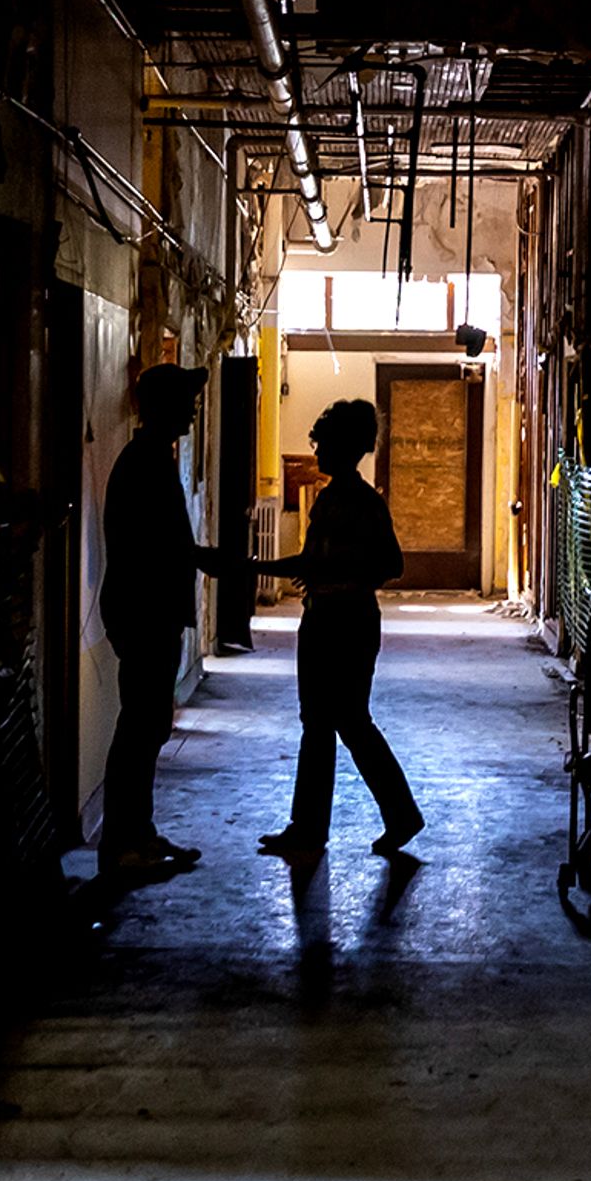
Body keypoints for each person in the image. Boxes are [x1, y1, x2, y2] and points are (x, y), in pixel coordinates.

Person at [259, 398, 424, 860]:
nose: (318, 451)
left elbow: (391, 564)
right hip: (326, 618)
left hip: (344, 622)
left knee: (347, 721)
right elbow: (314, 562)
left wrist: (335, 574)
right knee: (322, 723)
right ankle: (314, 827)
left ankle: (391, 816)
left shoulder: (361, 503)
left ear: (346, 447)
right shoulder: (334, 498)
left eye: (324, 443)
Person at [95, 363, 243, 880]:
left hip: (152, 611)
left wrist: (198, 557)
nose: (194, 408)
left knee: (150, 726)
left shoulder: (152, 458)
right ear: (161, 406)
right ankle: (121, 845)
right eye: (187, 400)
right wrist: (202, 559)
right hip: (144, 612)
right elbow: (152, 548)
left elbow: (163, 543)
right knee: (139, 728)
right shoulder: (144, 464)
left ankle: (139, 833)